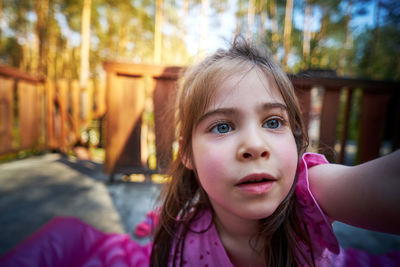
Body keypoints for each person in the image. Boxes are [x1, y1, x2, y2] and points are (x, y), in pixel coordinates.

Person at [150, 38, 400, 267]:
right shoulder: (177, 240)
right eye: (222, 126)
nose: (255, 146)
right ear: (187, 153)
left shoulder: (308, 194)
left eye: (272, 122)